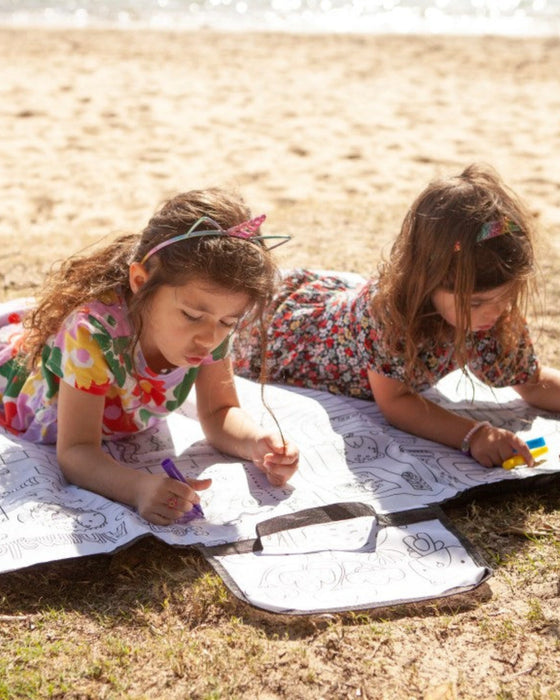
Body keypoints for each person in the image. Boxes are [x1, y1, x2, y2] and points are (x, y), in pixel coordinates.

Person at [0, 188, 299, 525]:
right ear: (141, 281)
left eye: (229, 321)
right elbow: (76, 452)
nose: (210, 337)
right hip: (16, 388)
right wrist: (139, 487)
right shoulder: (91, 334)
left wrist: (257, 442)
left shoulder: (210, 325)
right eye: (190, 315)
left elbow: (218, 412)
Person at [232, 163, 560, 469]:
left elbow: (530, 381)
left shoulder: (491, 311)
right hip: (284, 335)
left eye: (505, 297)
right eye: (475, 303)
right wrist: (473, 434)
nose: (496, 311)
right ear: (425, 281)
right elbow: (397, 403)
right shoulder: (388, 316)